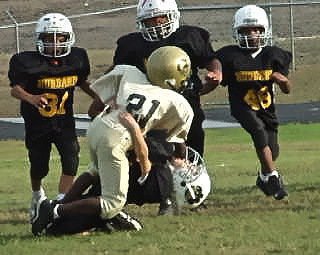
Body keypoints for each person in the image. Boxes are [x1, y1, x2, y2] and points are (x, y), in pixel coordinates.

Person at [31, 45, 195, 236]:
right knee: (112, 203)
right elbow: (173, 142)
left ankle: (60, 205)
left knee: (94, 170)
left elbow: (95, 106)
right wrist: (182, 160)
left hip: (100, 125)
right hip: (118, 137)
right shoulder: (178, 103)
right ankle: (53, 210)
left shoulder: (129, 72)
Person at [43, 115, 211, 236]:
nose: (190, 165)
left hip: (113, 188)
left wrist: (135, 130)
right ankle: (61, 207)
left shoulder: (163, 183)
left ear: (184, 184)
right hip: (116, 176)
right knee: (94, 173)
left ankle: (56, 211)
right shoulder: (165, 172)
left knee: (80, 217)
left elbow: (145, 164)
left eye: (191, 172)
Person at [102, 0, 222, 157]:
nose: (156, 25)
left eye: (161, 19)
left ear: (173, 16)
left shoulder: (188, 37)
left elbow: (210, 59)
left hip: (186, 100)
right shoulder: (132, 45)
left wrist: (216, 72)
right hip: (151, 106)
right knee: (156, 151)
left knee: (193, 144)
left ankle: (192, 176)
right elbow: (118, 70)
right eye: (149, 21)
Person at [8, 13, 97, 223]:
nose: (55, 43)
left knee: (71, 157)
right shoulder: (26, 62)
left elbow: (82, 82)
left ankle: (62, 201)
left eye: (60, 38)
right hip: (37, 122)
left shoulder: (77, 59)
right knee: (39, 165)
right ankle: (37, 195)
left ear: (69, 38)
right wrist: (31, 98)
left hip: (64, 120)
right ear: (40, 39)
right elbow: (15, 89)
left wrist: (99, 98)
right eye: (49, 38)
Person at [215, 5, 292, 200]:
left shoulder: (273, 55)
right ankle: (274, 179)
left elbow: (287, 89)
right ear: (237, 32)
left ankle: (264, 176)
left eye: (256, 30)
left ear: (264, 31)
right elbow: (216, 81)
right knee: (258, 131)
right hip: (242, 106)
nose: (252, 34)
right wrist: (205, 86)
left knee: (272, 149)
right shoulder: (229, 56)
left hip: (266, 108)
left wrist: (284, 82)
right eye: (246, 31)